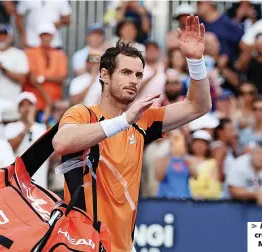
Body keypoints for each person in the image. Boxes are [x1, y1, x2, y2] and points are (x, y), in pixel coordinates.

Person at [53, 15, 210, 252]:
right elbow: (62, 142)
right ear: (104, 75)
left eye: (138, 75)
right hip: (83, 246)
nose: (134, 80)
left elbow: (198, 106)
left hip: (124, 247)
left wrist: (196, 61)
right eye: (126, 72)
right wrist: (124, 120)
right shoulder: (83, 113)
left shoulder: (143, 120)